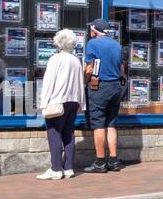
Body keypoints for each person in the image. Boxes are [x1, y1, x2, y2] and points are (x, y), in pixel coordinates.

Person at [36, 29, 85, 180]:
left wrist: (43, 103)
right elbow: (80, 83)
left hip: (57, 100)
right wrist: (81, 104)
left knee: (54, 133)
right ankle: (68, 167)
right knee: (68, 133)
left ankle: (56, 168)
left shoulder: (55, 59)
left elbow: (48, 82)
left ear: (58, 42)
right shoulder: (76, 60)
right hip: (73, 101)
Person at [83, 18, 125, 173]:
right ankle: (113, 161)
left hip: (99, 87)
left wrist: (83, 82)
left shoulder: (93, 43)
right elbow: (122, 70)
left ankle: (100, 162)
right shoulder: (116, 45)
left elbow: (89, 69)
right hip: (116, 87)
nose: (90, 31)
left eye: (91, 29)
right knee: (111, 124)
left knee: (98, 124)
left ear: (95, 30)